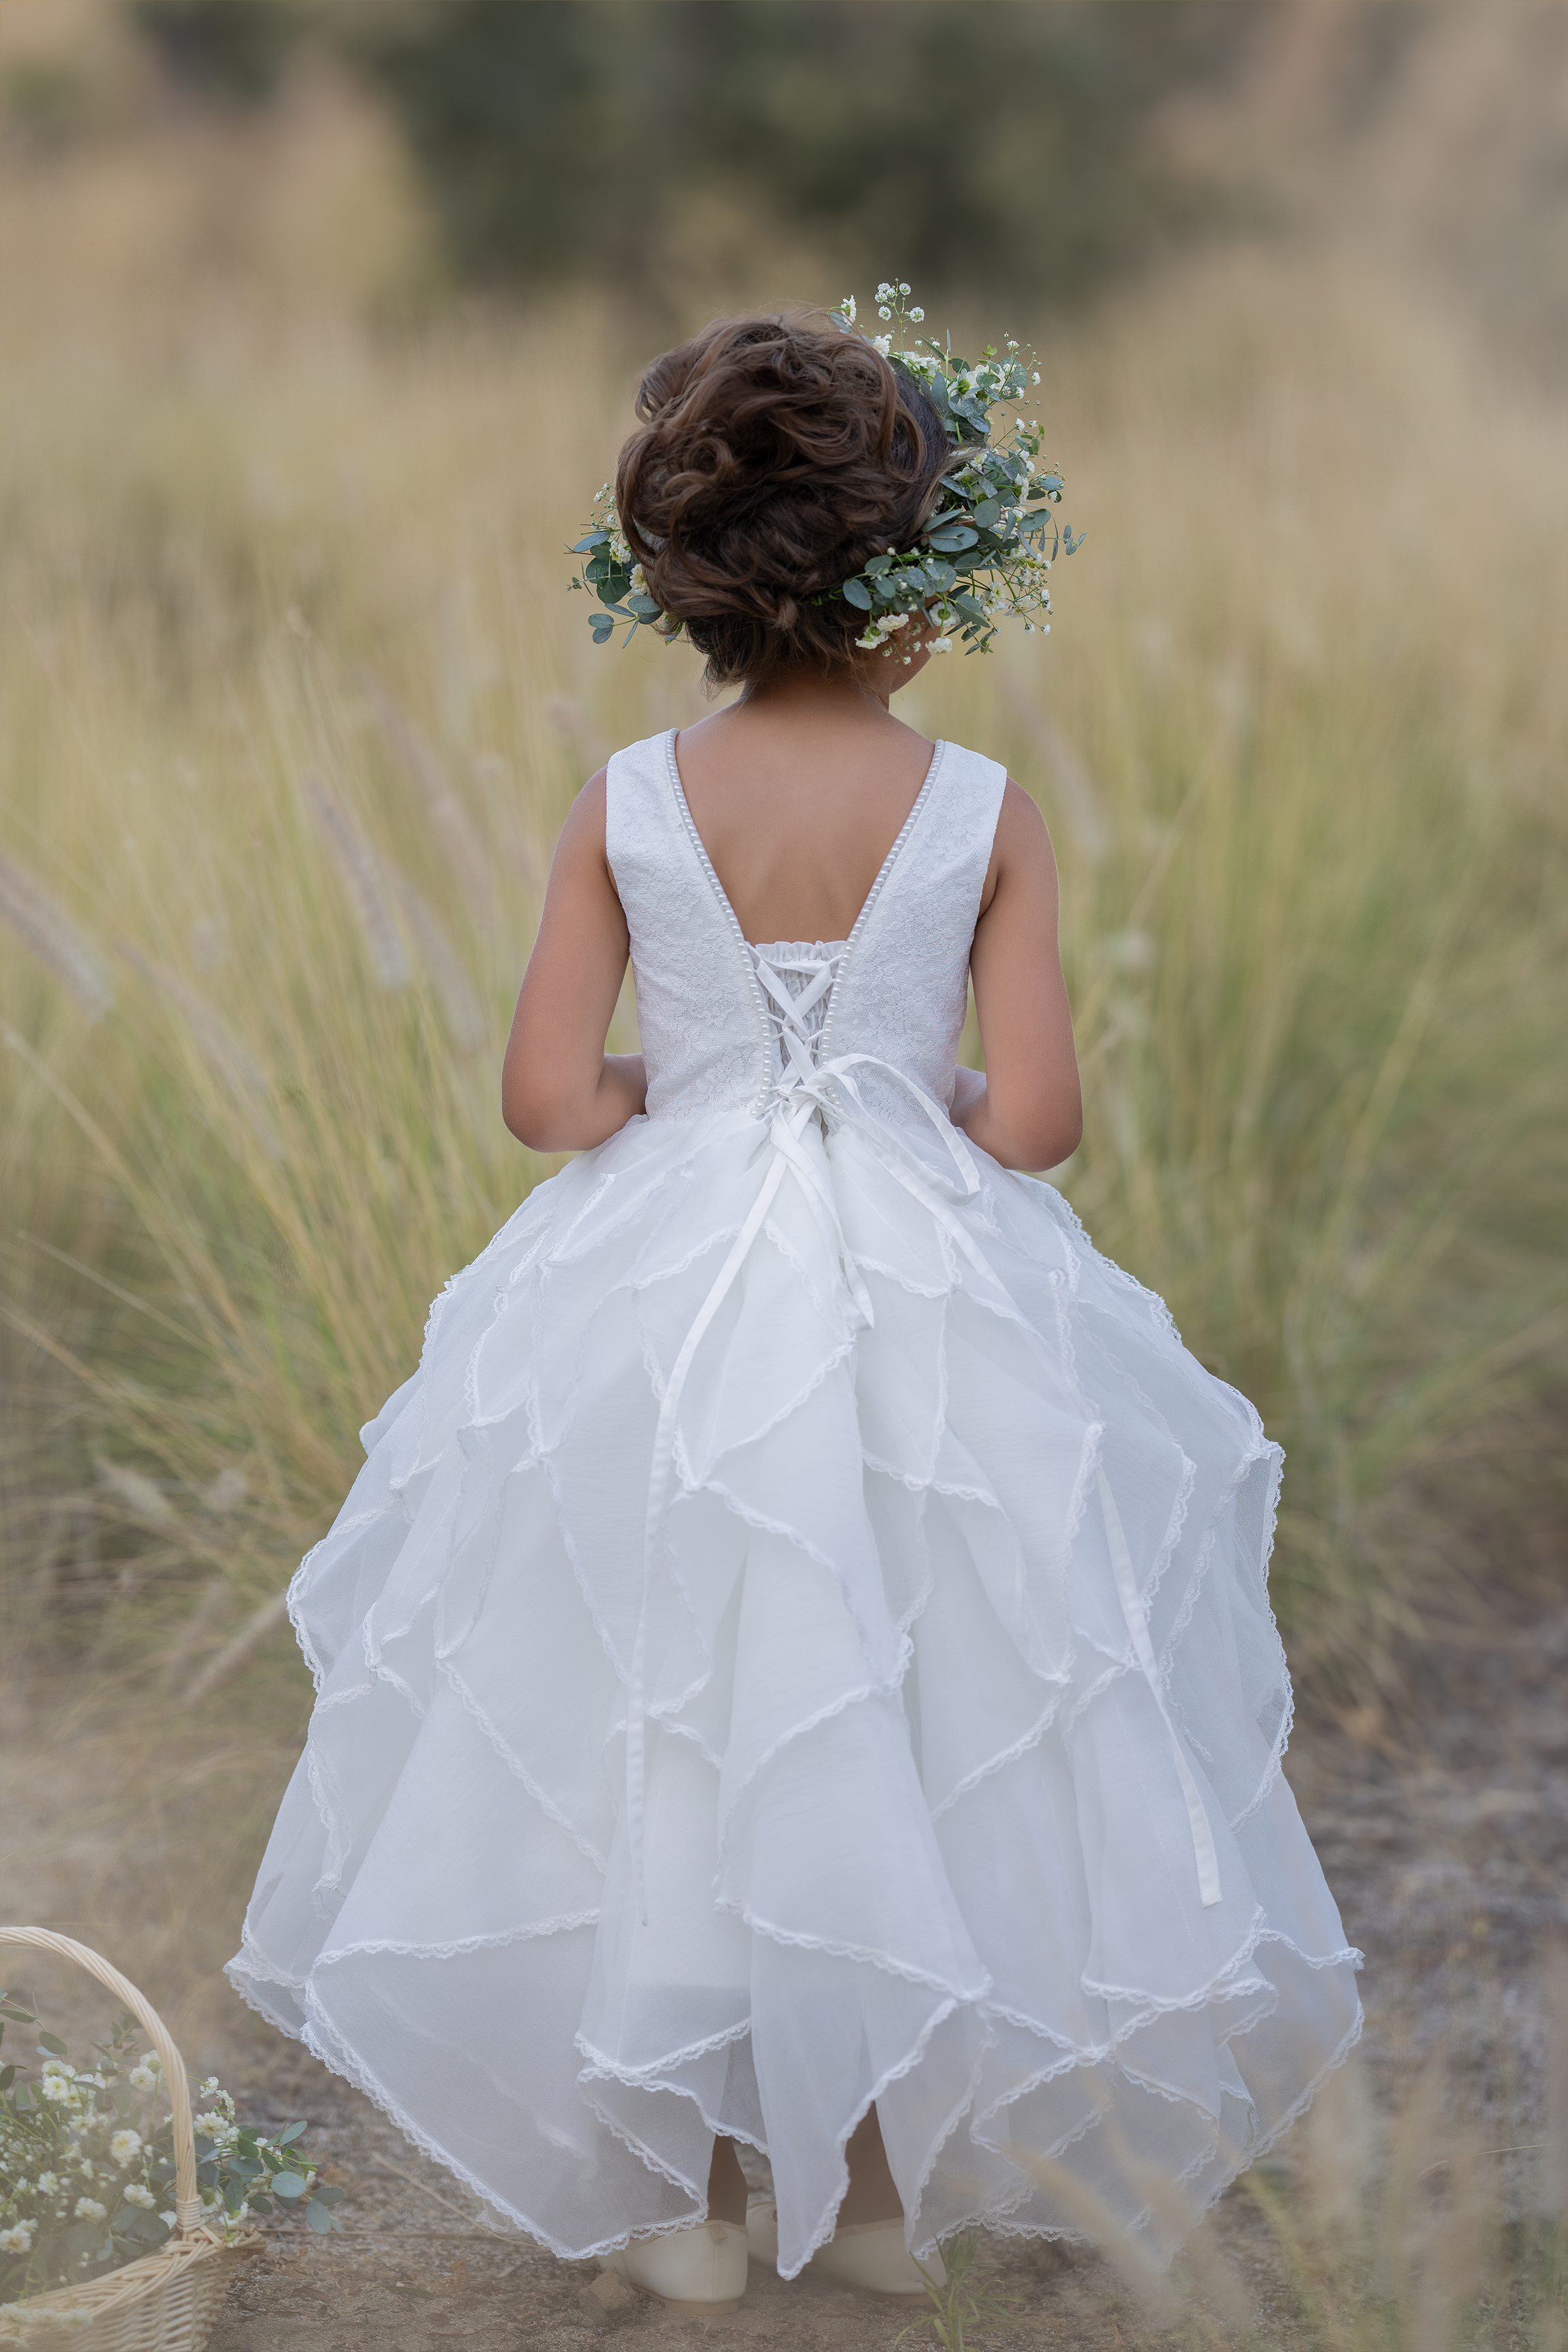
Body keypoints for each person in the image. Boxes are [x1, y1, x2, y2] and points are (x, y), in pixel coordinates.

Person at [228, 306, 1361, 2318]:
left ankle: (680, 2195)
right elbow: (1032, 1125)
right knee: (906, 1705)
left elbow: (540, 1100)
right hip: (922, 1299)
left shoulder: (628, 798)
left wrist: (679, 1089)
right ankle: (871, 2198)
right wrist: (905, 1089)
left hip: (658, 1297)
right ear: (920, 577)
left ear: (679, 578)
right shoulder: (981, 805)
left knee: (668, 1701)